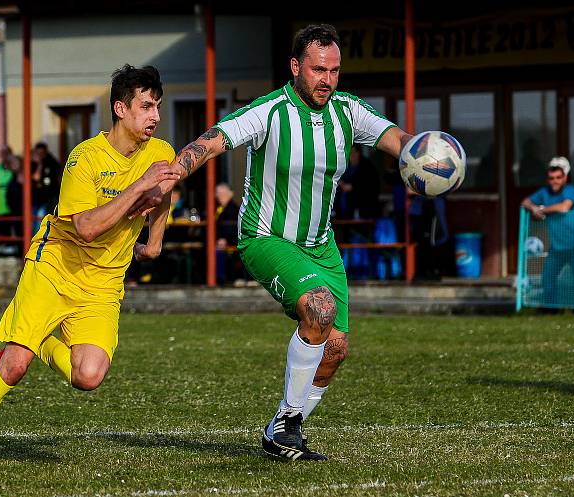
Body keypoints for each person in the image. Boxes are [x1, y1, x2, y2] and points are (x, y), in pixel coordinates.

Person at [130, 24, 413, 460]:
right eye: (319, 70)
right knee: (319, 308)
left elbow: (399, 141)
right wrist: (170, 175)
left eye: (335, 71)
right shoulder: (268, 112)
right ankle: (285, 427)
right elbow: (209, 144)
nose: (327, 80)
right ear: (296, 66)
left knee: (334, 349)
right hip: (266, 238)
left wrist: (431, 156)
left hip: (321, 246)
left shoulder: (349, 112)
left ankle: (284, 428)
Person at [0, 64, 181, 473]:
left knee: (89, 376)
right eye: (146, 107)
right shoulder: (84, 158)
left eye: (158, 107)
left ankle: (41, 341)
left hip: (102, 284)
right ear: (120, 109)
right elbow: (85, 227)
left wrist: (154, 241)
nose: (155, 116)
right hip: (55, 267)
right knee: (14, 365)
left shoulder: (161, 153)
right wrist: (138, 187)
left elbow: (165, 188)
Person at [521, 156, 574, 307]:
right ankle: (552, 309)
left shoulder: (571, 189)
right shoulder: (544, 192)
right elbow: (525, 201)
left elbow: (564, 207)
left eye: (558, 177)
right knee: (548, 278)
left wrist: (542, 210)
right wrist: (533, 208)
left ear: (565, 178)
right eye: (551, 178)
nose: (555, 181)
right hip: (557, 246)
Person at [335, 145, 381, 220]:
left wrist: (352, 187)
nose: (351, 156)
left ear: (358, 153)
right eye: (349, 153)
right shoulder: (346, 167)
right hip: (346, 209)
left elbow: (370, 186)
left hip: (365, 208)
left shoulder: (367, 167)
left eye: (353, 152)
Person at [31, 141, 63, 229]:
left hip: (48, 199)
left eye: (42, 153)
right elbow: (35, 178)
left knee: (41, 222)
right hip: (35, 199)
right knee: (33, 222)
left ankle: (41, 240)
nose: (40, 155)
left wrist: (40, 164)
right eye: (38, 153)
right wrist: (38, 164)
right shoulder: (32, 163)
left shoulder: (52, 163)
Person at [214, 182, 241, 283]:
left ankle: (220, 279)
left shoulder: (233, 209)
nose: (219, 197)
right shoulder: (217, 208)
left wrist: (224, 238)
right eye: (218, 194)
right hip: (219, 241)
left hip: (231, 242)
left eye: (222, 194)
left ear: (230, 195)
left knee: (218, 252)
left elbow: (233, 228)